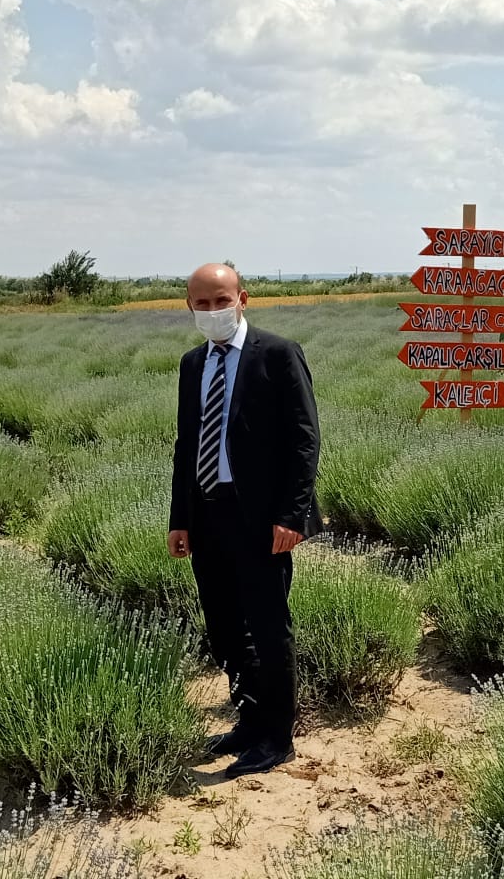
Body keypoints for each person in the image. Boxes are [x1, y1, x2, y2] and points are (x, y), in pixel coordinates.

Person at [167, 263, 321, 778]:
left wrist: (292, 514)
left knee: (267, 627)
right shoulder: (193, 364)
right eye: (202, 304)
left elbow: (305, 442)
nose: (212, 312)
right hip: (208, 514)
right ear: (189, 306)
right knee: (225, 629)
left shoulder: (277, 354)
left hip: (262, 520)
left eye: (221, 301)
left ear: (243, 299)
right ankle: (249, 720)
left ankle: (277, 738)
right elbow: (187, 446)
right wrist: (180, 519)